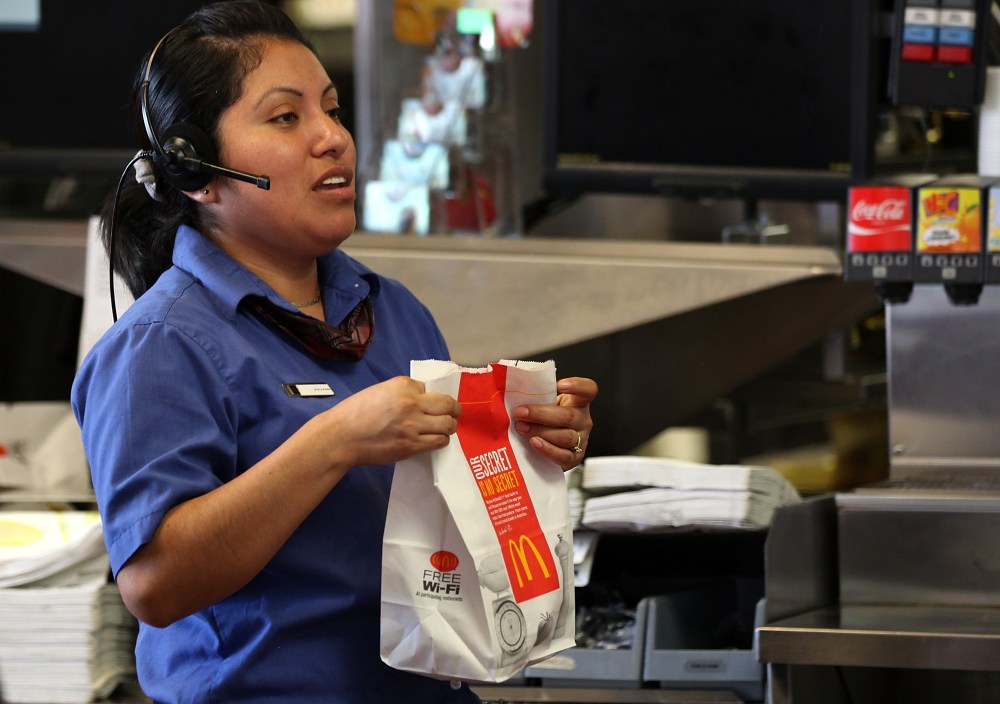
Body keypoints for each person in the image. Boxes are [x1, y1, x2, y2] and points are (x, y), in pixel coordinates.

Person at [70, 3, 598, 703]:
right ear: (197, 171)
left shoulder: (392, 310)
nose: (333, 139)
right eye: (286, 118)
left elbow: (442, 520)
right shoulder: (160, 345)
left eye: (333, 110)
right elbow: (154, 584)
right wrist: (335, 441)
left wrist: (524, 444)